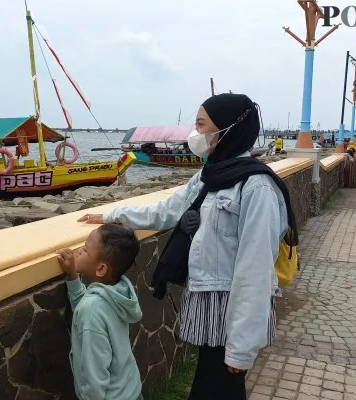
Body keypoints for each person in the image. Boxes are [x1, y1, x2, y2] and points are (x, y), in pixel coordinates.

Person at [77, 93, 297, 400]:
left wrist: (241, 348)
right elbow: (168, 209)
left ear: (229, 129)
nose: (194, 132)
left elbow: (255, 271)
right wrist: (113, 215)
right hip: (212, 314)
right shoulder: (211, 175)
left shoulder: (256, 187)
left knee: (216, 389)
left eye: (201, 124)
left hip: (231, 318)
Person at [56, 224, 143, 400]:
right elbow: (88, 307)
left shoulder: (91, 310)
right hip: (130, 390)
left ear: (101, 269)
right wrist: (73, 277)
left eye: (86, 250)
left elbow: (94, 376)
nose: (79, 250)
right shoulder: (117, 293)